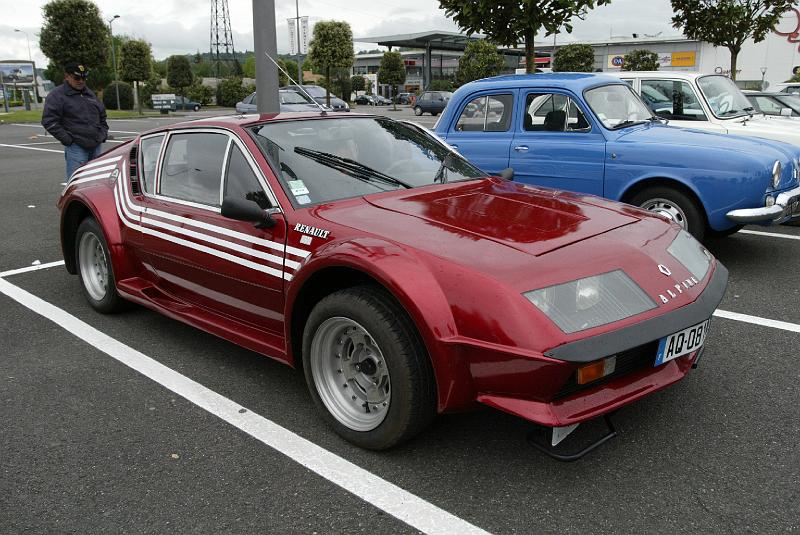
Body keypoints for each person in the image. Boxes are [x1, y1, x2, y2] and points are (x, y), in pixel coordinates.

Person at [42, 62, 109, 179]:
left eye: (84, 78)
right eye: (77, 78)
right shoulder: (57, 95)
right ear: (67, 76)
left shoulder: (90, 94)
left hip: (96, 145)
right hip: (76, 147)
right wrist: (68, 140)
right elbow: (49, 121)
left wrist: (102, 135)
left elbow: (102, 117)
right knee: (76, 182)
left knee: (95, 181)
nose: (81, 81)